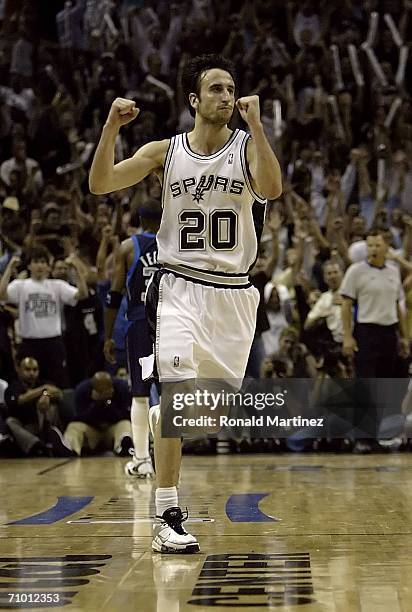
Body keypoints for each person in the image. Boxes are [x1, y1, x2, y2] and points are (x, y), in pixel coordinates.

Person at [89, 54, 282, 553]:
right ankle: (167, 514)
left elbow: (272, 188)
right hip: (178, 286)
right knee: (175, 391)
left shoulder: (245, 148)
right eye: (215, 88)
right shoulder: (165, 152)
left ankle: (161, 425)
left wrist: (258, 124)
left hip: (234, 293)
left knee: (207, 417)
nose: (226, 95)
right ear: (194, 100)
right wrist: (111, 126)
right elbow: (101, 183)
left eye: (230, 88)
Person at [104, 201, 161, 479]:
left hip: (140, 325)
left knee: (139, 394)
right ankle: (169, 458)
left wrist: (107, 335)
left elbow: (114, 296)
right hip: (169, 325)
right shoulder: (176, 246)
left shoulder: (128, 247)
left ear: (139, 218)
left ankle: (142, 459)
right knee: (169, 394)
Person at [0, 246, 88, 388]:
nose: (40, 265)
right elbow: (1, 295)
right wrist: (9, 268)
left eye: (43, 262)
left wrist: (76, 269)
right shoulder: (21, 285)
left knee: (58, 383)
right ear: (29, 265)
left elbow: (82, 294)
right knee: (28, 385)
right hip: (29, 343)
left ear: (48, 267)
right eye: (36, 261)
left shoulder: (57, 285)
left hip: (53, 343)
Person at [4, 356, 74, 456]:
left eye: (35, 370)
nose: (32, 373)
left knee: (49, 405)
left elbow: (58, 393)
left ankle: (51, 438)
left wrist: (46, 396)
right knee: (10, 422)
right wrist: (43, 390)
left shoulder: (43, 382)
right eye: (27, 369)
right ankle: (37, 446)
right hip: (24, 429)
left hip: (43, 424)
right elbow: (20, 399)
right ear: (19, 370)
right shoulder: (13, 387)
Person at [64, 371, 133, 456]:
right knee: (74, 426)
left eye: (106, 390)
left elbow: (125, 416)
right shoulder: (82, 389)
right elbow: (78, 417)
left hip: (112, 429)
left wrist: (109, 403)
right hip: (92, 430)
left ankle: (123, 447)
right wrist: (96, 404)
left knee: (125, 424)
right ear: (93, 389)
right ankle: (70, 448)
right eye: (100, 391)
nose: (103, 393)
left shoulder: (122, 388)